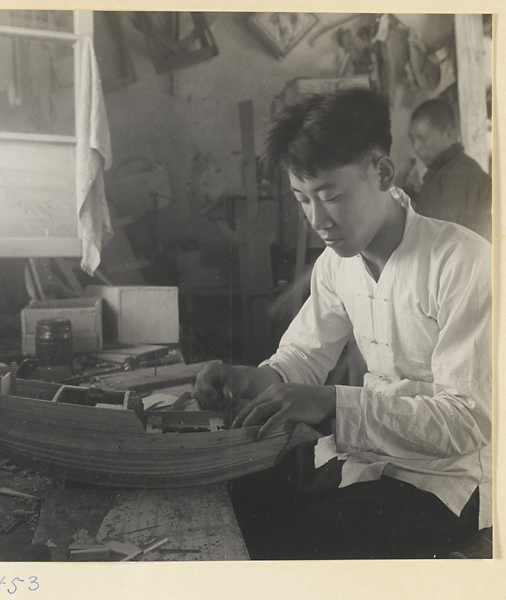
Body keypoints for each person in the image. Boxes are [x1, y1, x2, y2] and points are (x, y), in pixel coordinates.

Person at [193, 88, 491, 560]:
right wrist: (246, 379)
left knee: (302, 546)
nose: (317, 220)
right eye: (302, 199)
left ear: (383, 173)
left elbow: (464, 421)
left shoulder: (462, 262)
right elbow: (303, 358)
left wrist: (332, 406)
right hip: (368, 458)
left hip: (448, 480)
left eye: (330, 197)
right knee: (240, 497)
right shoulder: (337, 265)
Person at [408, 98, 492, 241]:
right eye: (412, 139)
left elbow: (451, 239)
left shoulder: (461, 172)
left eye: (421, 138)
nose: (416, 146)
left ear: (449, 134)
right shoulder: (440, 172)